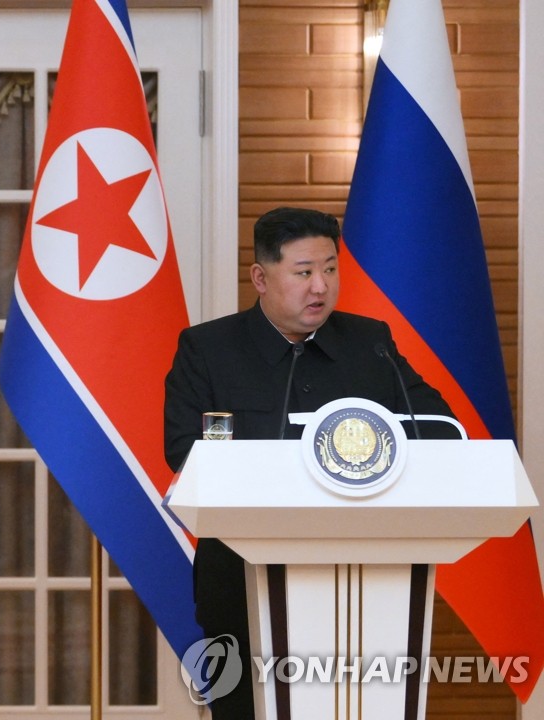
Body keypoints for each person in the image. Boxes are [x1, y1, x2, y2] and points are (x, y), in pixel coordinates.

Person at [163, 206, 455, 718]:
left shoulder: (371, 344)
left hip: (365, 579)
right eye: (303, 272)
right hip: (239, 578)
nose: (320, 286)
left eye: (330, 269)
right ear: (261, 277)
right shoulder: (208, 349)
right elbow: (185, 450)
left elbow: (438, 427)